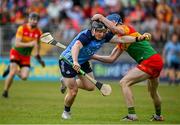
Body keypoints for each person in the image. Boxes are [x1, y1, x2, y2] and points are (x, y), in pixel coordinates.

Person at [59, 20, 149, 120]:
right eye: (99, 31)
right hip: (68, 61)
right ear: (93, 30)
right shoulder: (86, 36)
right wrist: (75, 61)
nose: (101, 34)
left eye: (103, 32)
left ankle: (65, 81)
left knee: (90, 86)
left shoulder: (104, 36)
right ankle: (66, 112)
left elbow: (122, 39)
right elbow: (76, 46)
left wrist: (137, 38)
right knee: (73, 91)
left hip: (83, 61)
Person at [91, 13, 164, 121]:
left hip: (150, 61)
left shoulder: (124, 28)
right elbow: (111, 59)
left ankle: (132, 115)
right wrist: (93, 56)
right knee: (153, 92)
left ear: (114, 23)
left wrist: (101, 17)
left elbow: (118, 31)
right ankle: (158, 116)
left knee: (124, 82)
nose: (106, 27)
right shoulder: (122, 41)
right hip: (155, 61)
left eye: (107, 24)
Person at [2, 12, 45, 98]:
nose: (34, 21)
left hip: (26, 56)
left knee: (24, 77)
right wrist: (30, 44)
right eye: (32, 19)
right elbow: (17, 44)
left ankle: (10, 67)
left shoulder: (39, 32)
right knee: (13, 72)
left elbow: (37, 48)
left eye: (36, 20)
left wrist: (40, 60)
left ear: (38, 21)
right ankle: (5, 91)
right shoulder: (22, 28)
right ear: (29, 19)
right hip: (16, 52)